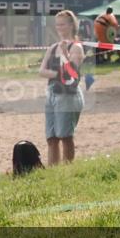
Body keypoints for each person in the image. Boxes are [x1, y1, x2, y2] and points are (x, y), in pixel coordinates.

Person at [39, 10, 86, 164]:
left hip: (68, 94)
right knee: (51, 137)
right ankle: (53, 170)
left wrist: (65, 54)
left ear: (71, 25)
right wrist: (58, 73)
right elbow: (41, 71)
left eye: (62, 24)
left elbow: (71, 73)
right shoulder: (53, 47)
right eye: (57, 24)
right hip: (52, 92)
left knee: (65, 136)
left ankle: (67, 168)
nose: (59, 27)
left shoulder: (76, 47)